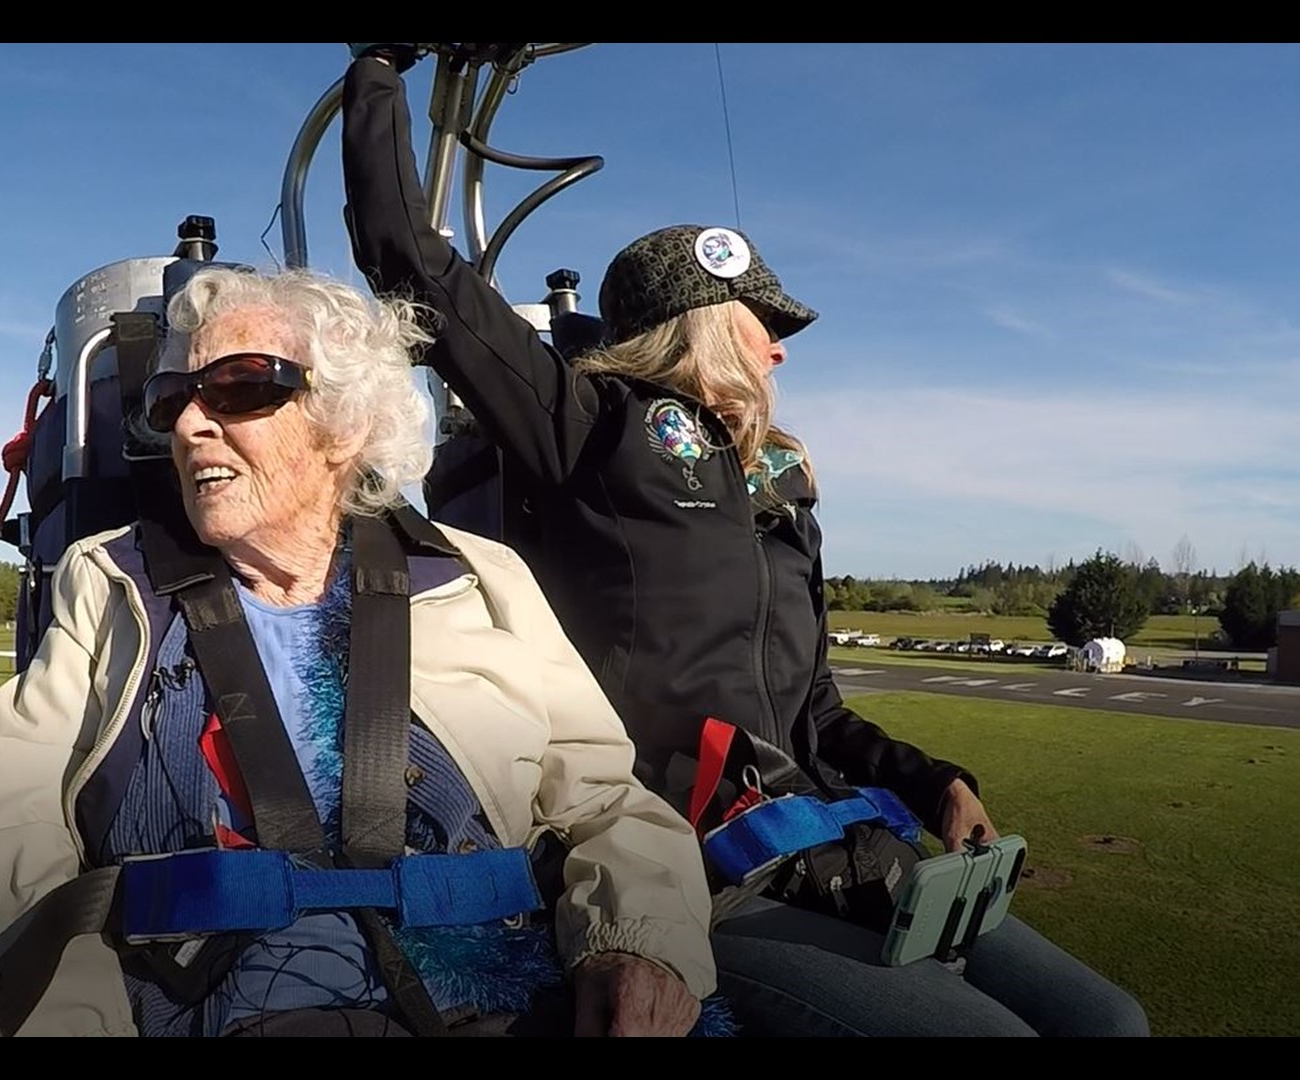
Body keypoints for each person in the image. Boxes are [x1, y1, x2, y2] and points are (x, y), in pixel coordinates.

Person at [338, 45, 1149, 1037]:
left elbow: (817, 712)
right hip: (693, 867)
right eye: (761, 321)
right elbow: (406, 253)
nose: (778, 347)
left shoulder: (779, 487)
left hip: (839, 840)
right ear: (700, 324)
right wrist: (379, 67)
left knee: (1107, 1020)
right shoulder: (594, 426)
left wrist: (933, 779)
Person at [0, 264, 722, 1037]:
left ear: (346, 423)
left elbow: (608, 803)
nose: (193, 423)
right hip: (201, 1004)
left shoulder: (481, 576)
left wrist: (638, 948)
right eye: (173, 399)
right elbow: (3, 828)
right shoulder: (109, 582)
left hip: (497, 1000)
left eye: (240, 387)